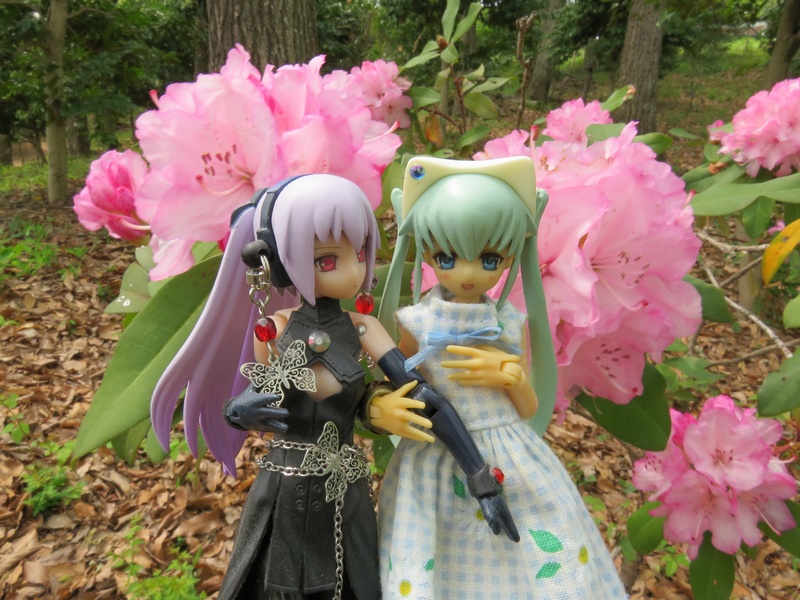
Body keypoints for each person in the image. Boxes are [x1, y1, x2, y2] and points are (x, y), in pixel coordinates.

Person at [150, 174, 516, 600]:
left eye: (360, 254)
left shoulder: (364, 328)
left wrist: (480, 477)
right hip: (282, 486)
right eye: (327, 261)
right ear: (280, 264)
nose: (355, 271)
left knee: (354, 582)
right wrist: (238, 411)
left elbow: (425, 398)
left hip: (344, 487)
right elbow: (258, 396)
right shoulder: (274, 330)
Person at [376, 156, 627, 599]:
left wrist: (511, 377)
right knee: (432, 555)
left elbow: (528, 408)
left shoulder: (507, 322)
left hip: (506, 450)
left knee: (532, 543)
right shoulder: (417, 321)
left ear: (510, 256)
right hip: (434, 454)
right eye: (447, 258)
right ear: (427, 253)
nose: (467, 273)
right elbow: (403, 379)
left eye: (489, 259)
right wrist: (388, 407)